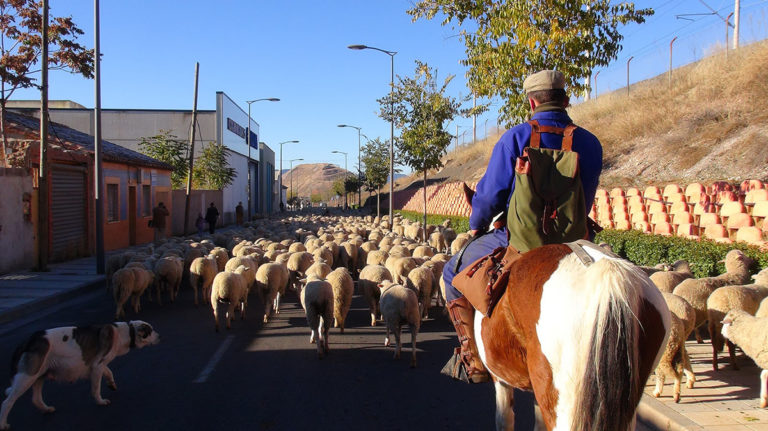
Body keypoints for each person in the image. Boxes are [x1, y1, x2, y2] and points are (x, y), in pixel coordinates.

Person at [442, 70, 603, 384]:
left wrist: (476, 226)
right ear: (566, 100)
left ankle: (471, 359)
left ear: (532, 102)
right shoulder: (590, 143)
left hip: (518, 238)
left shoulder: (515, 137)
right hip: (575, 241)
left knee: (451, 272)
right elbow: (588, 195)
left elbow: (490, 197)